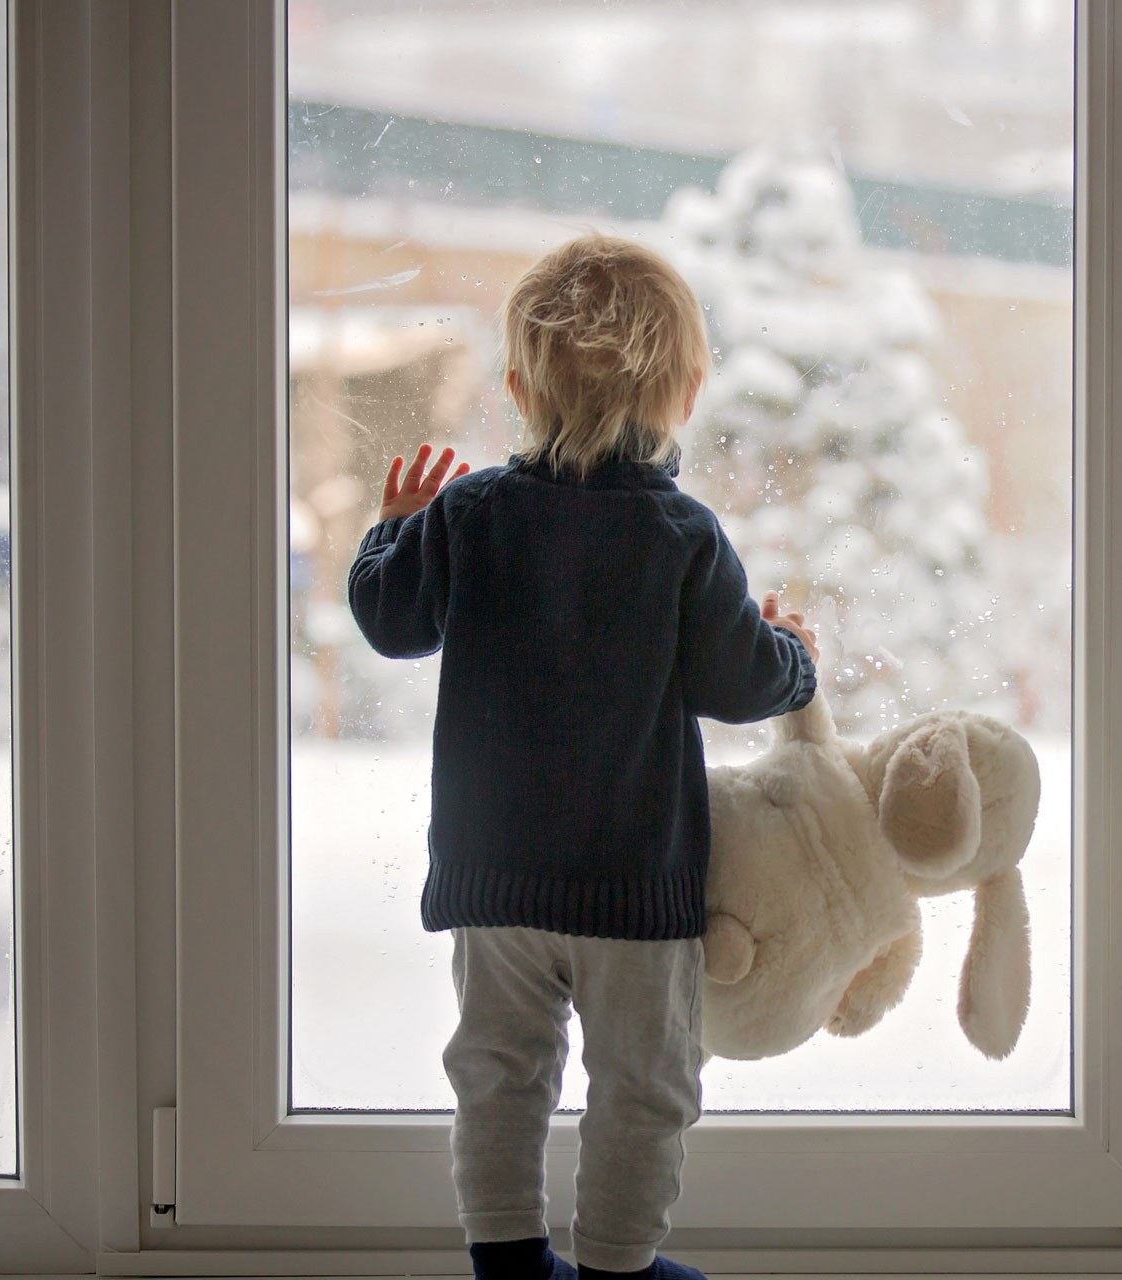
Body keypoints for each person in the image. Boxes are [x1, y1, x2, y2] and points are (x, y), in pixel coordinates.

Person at [348, 233, 818, 1280]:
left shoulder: (468, 513)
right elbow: (741, 683)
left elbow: (391, 621)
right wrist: (795, 659)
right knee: (643, 1080)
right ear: (688, 391)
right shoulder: (682, 537)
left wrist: (393, 531)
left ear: (517, 385)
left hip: (495, 877)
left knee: (499, 1070)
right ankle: (618, 1265)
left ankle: (508, 1257)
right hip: (630, 880)